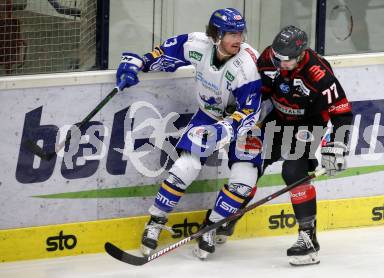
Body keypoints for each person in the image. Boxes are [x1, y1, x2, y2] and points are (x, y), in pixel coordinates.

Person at [115, 8, 262, 260]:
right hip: (209, 115)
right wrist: (140, 63)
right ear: (216, 35)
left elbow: (251, 110)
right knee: (185, 166)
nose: (238, 39)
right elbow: (166, 53)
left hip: (247, 125)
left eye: (240, 33)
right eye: (231, 34)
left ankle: (211, 227)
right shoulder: (198, 44)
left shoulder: (248, 66)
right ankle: (156, 220)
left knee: (244, 180)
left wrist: (225, 129)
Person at [216, 25, 353, 266]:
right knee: (249, 163)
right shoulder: (269, 58)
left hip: (308, 126)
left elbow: (342, 112)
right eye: (277, 58)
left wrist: (338, 145)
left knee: (293, 172)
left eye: (286, 60)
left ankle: (308, 238)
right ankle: (229, 216)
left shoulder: (318, 74)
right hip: (277, 119)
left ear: (301, 54)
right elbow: (261, 93)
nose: (280, 64)